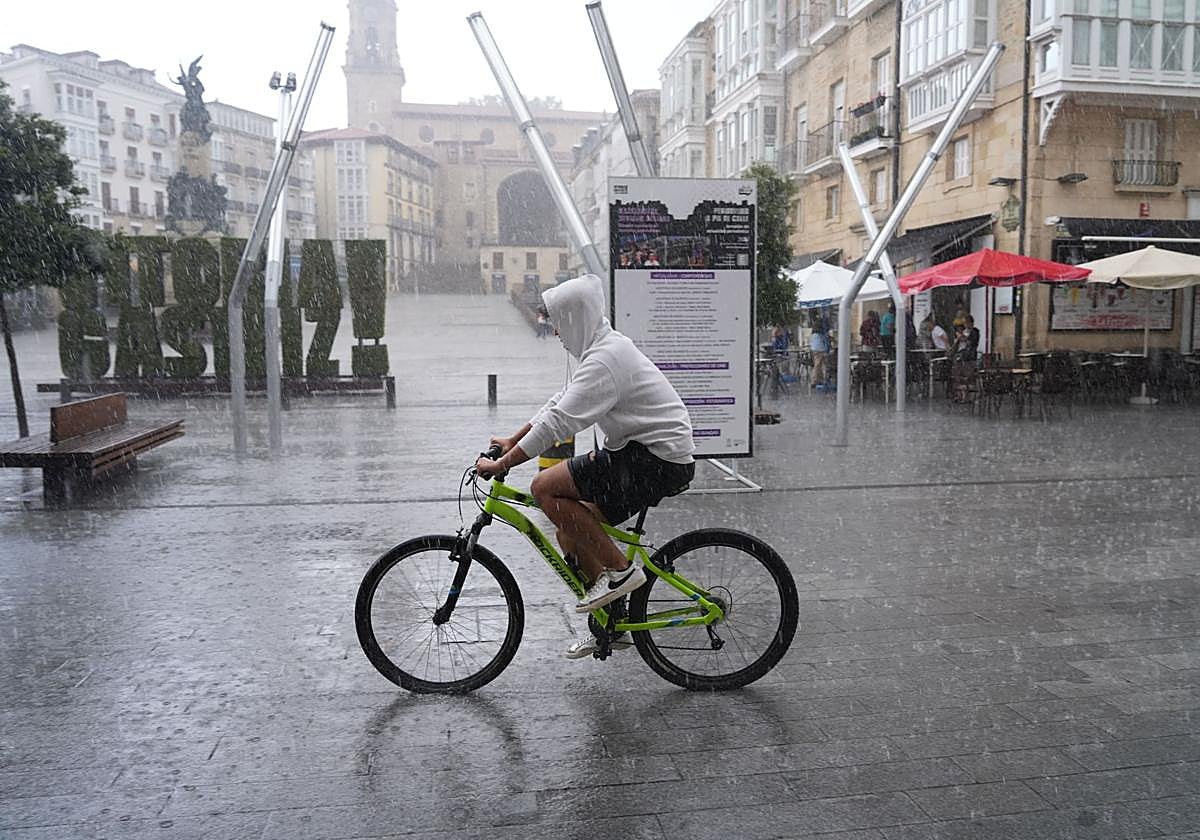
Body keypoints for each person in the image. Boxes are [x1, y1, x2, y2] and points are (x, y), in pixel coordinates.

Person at [476, 274, 696, 659]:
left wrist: (506, 464)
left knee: (544, 488)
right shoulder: (602, 350)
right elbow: (560, 402)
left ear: (577, 317)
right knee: (570, 532)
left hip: (653, 459)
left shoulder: (607, 359)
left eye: (559, 320)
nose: (556, 330)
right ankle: (612, 623)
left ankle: (621, 572)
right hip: (642, 455)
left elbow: (560, 422)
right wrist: (513, 439)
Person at [809, 319, 830, 386]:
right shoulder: (822, 334)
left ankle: (817, 380)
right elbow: (826, 341)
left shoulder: (813, 334)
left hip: (814, 350)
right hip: (821, 350)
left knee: (817, 365)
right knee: (822, 365)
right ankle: (819, 380)